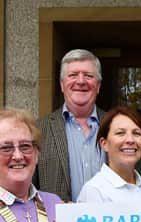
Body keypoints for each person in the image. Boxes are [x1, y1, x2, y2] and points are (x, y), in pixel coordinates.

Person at [35, 49, 104, 202]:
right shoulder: (39, 130)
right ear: (62, 84)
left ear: (98, 86)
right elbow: (27, 189)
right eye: (73, 75)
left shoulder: (116, 126)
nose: (80, 81)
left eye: (88, 75)